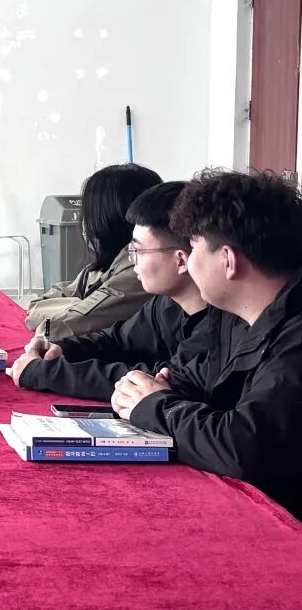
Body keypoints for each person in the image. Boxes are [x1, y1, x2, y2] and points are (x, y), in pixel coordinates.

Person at [112, 169, 302, 520]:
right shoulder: (235, 317)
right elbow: (192, 380)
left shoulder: (295, 335)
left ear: (228, 261)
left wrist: (156, 406)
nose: (187, 260)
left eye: (194, 247)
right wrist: (151, 390)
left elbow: (244, 448)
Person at [10, 181, 211, 400]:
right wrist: (60, 349)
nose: (132, 260)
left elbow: (163, 381)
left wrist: (45, 372)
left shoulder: (217, 325)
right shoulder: (167, 304)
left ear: (181, 260)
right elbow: (117, 341)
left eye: (138, 250)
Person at [25, 163, 163, 338]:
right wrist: (80, 304)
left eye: (88, 213)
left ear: (108, 217)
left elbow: (61, 327)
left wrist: (80, 306)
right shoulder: (104, 265)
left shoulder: (138, 268)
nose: (84, 223)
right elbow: (39, 304)